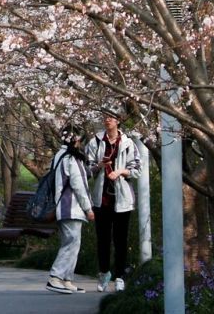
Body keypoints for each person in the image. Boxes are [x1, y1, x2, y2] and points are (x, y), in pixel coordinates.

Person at [86, 111, 141, 292]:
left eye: (111, 117)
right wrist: (99, 166)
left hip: (122, 199)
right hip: (101, 199)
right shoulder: (95, 142)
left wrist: (121, 172)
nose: (107, 120)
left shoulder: (127, 143)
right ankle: (103, 273)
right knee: (103, 239)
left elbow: (137, 169)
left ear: (118, 120)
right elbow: (87, 170)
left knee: (120, 240)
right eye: (105, 117)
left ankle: (119, 276)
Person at [47, 125, 95, 295]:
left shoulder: (59, 155)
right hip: (71, 207)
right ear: (75, 140)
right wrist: (88, 208)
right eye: (79, 139)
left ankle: (67, 279)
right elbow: (79, 185)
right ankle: (55, 277)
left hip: (62, 206)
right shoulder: (70, 158)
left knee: (73, 243)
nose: (80, 143)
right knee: (71, 243)